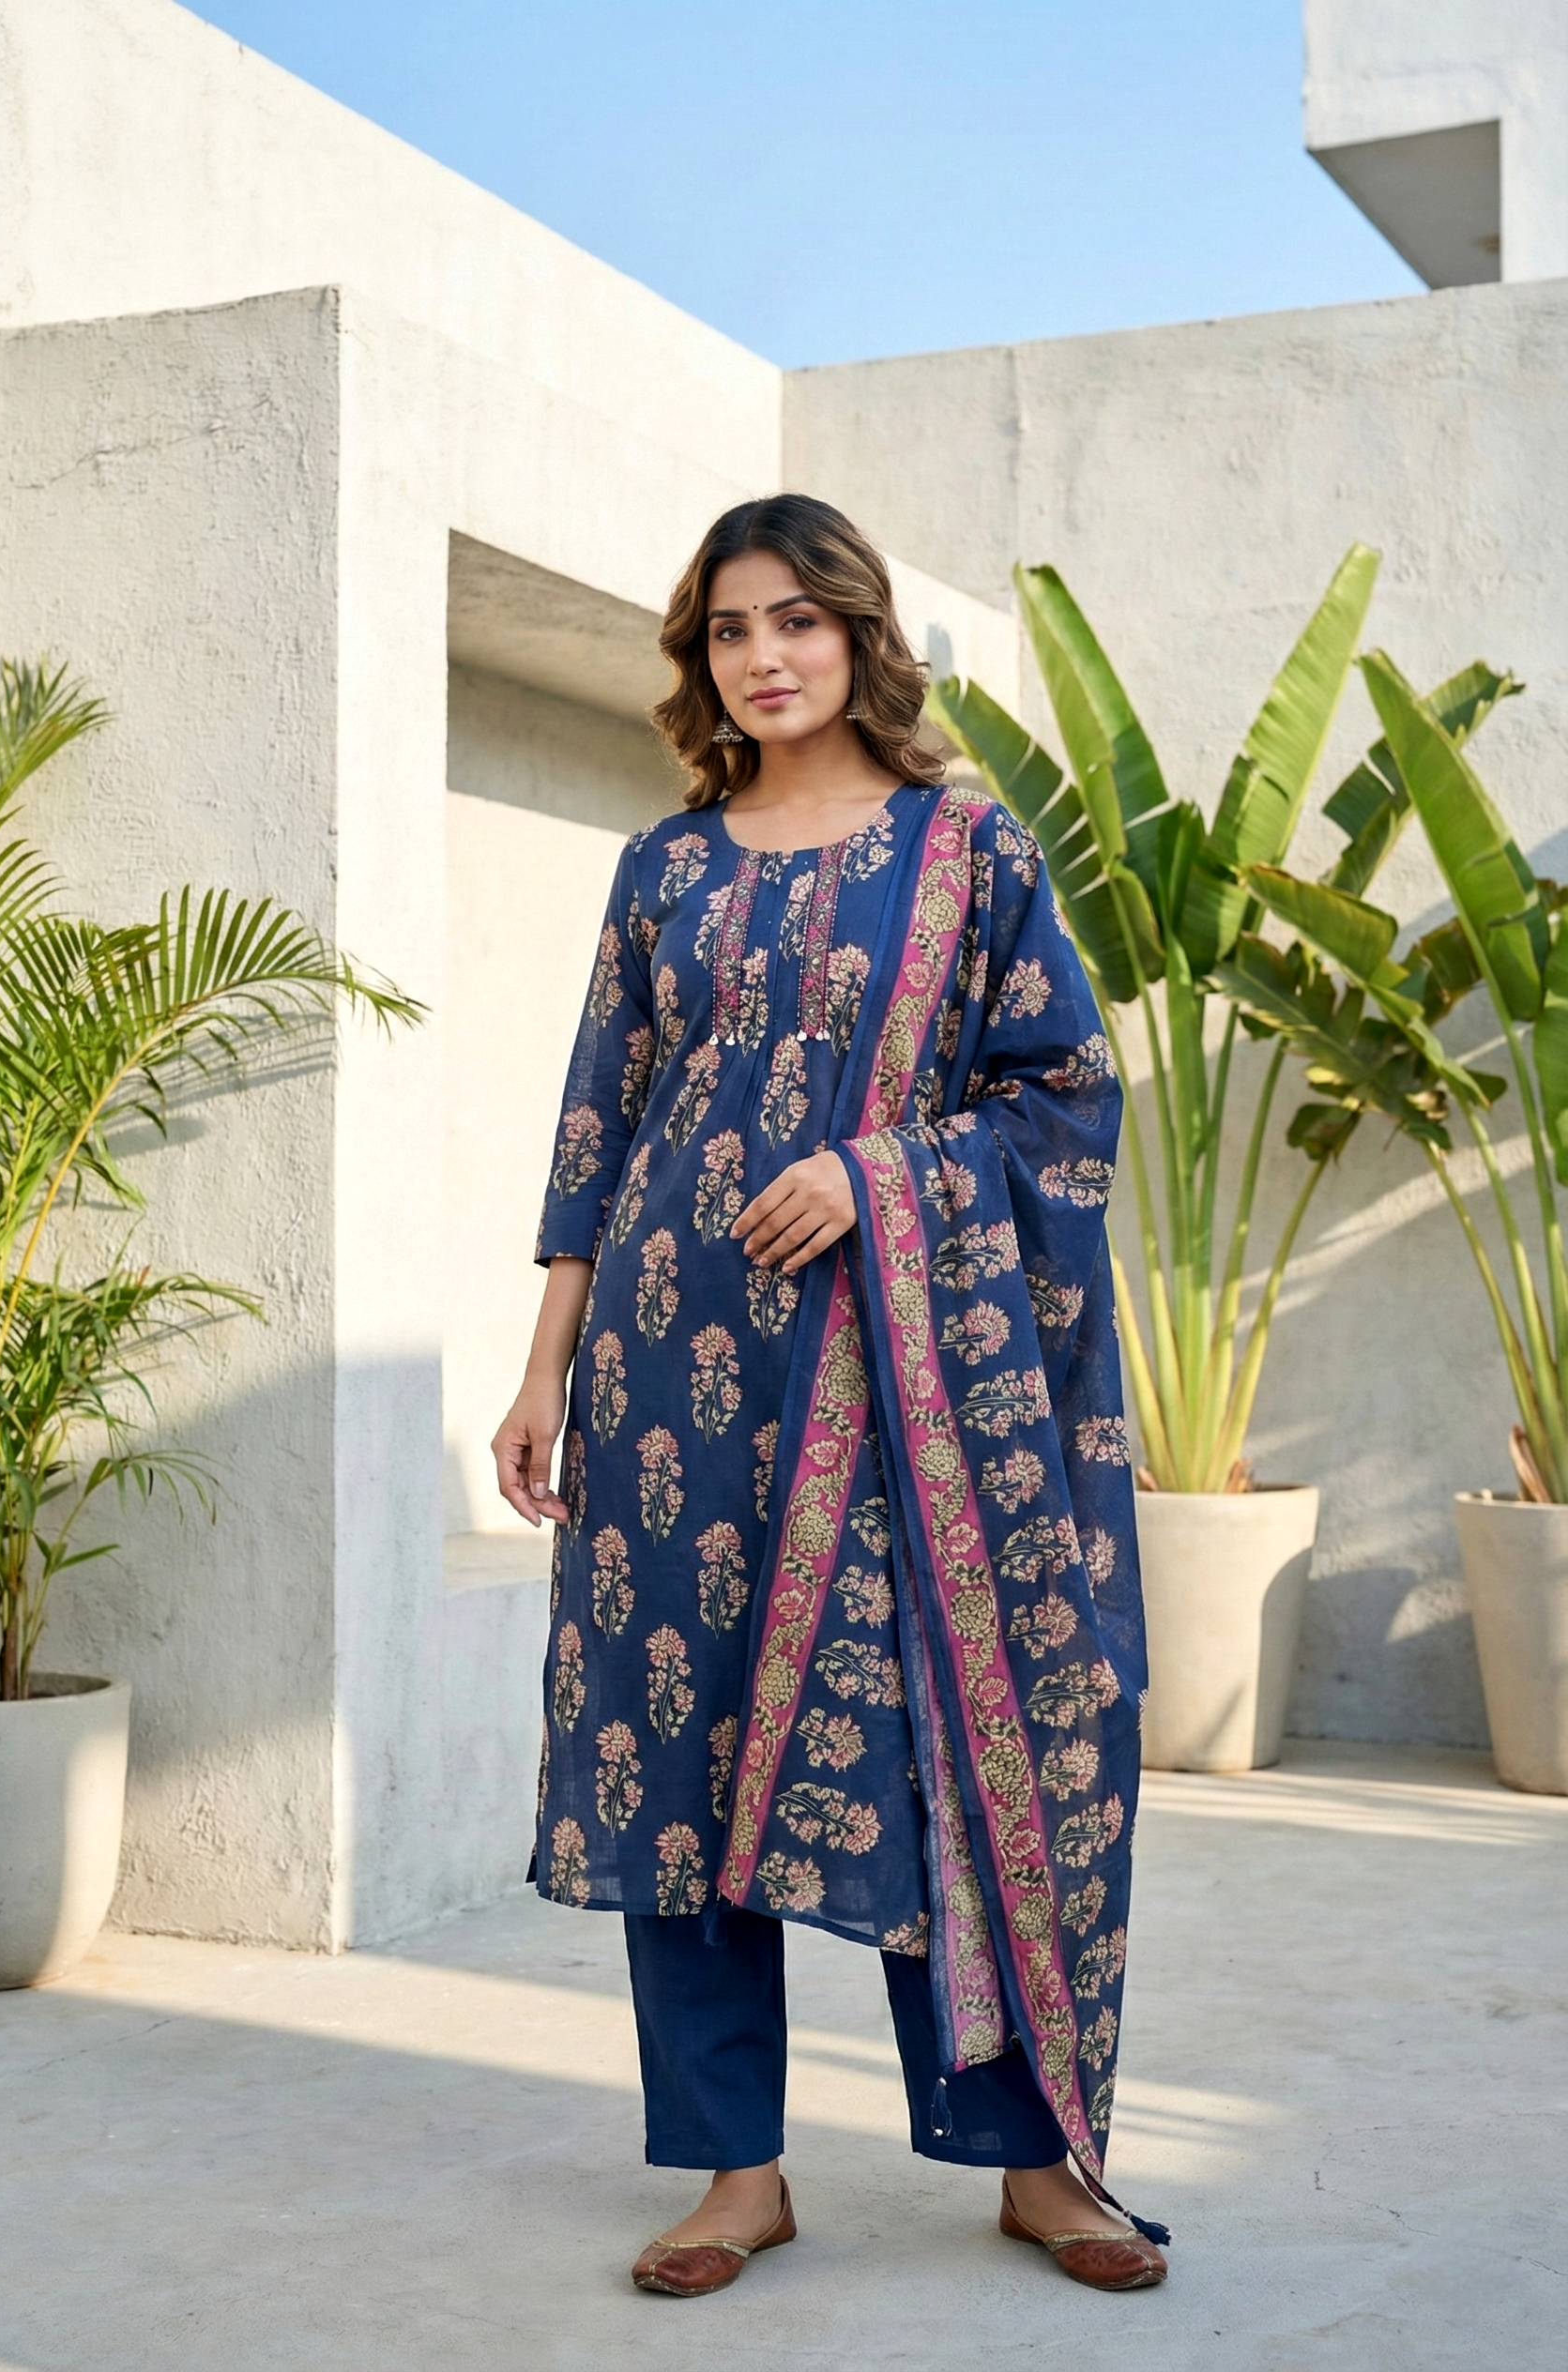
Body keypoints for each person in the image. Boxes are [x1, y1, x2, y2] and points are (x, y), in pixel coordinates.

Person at [493, 494, 1166, 2300]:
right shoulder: (666, 866)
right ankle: (736, 2170)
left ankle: (1032, 2161)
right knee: (677, 1750)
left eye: (795, 619)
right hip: (666, 1375)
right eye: (728, 629)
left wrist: (879, 1175)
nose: (762, 656)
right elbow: (599, 1120)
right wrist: (548, 1365)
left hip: (897, 1384)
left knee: (942, 1734)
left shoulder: (966, 849)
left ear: (862, 634)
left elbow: (1065, 1097)